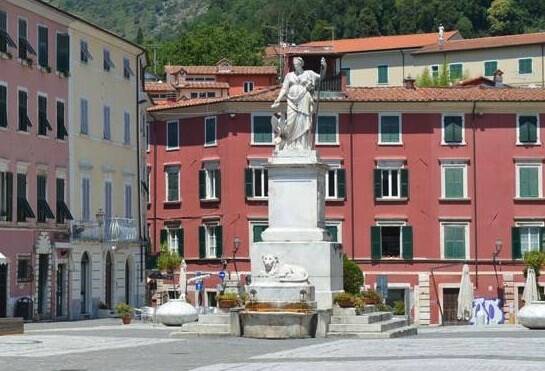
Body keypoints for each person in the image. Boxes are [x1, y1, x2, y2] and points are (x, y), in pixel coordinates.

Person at [271, 57, 326, 150]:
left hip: (304, 99)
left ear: (301, 64)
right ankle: (290, 144)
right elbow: (284, 88)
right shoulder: (289, 75)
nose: (295, 66)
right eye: (294, 64)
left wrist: (324, 66)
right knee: (290, 122)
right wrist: (278, 99)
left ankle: (302, 145)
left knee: (303, 120)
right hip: (291, 101)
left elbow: (321, 77)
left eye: (297, 64)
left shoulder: (309, 73)